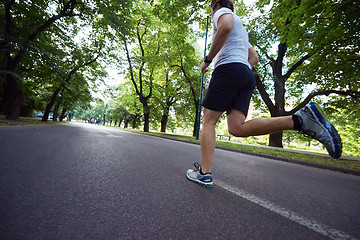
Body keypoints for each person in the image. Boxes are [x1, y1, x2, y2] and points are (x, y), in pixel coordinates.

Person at [186, 0, 342, 188]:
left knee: (208, 122)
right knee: (236, 128)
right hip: (245, 74)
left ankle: (204, 173)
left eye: (211, 9)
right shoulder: (242, 31)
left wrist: (208, 61)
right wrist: (237, 71)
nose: (212, 13)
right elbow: (254, 58)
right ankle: (299, 120)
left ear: (216, 5)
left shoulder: (222, 12)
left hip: (228, 69)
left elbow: (225, 26)